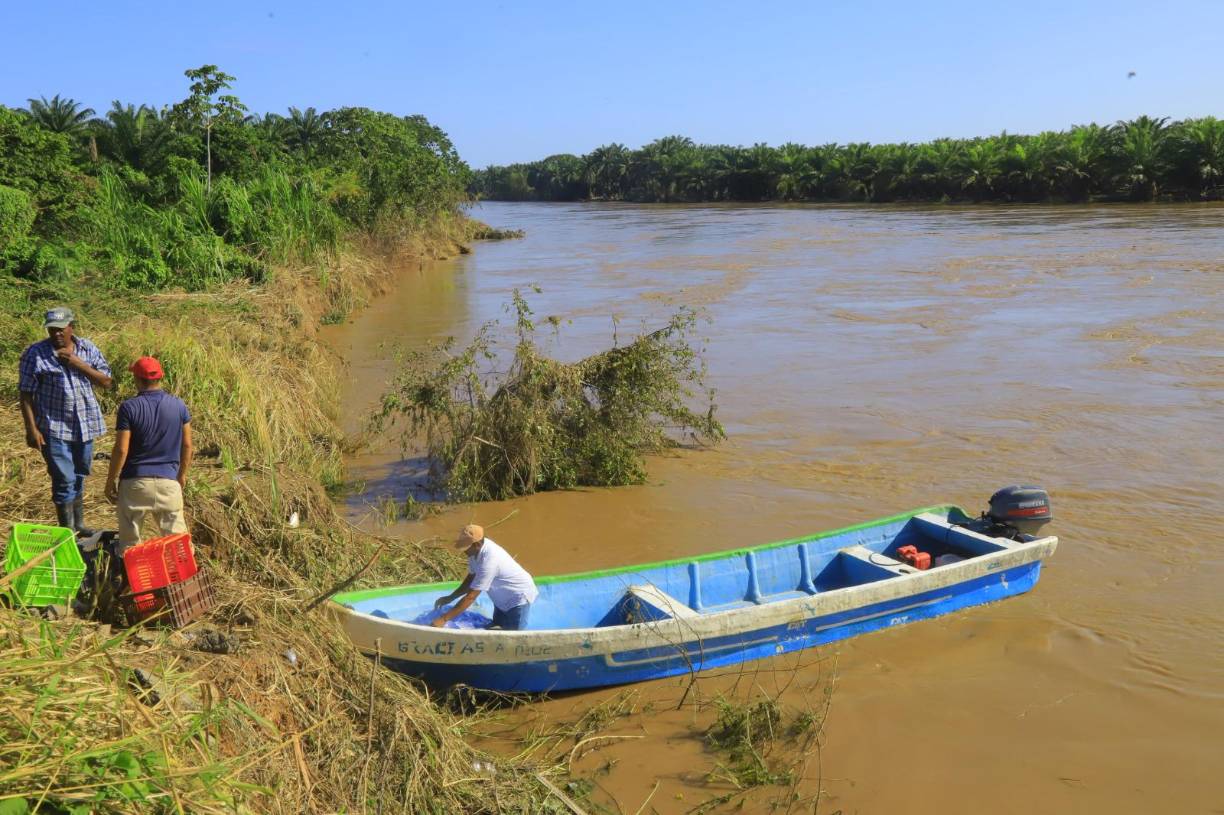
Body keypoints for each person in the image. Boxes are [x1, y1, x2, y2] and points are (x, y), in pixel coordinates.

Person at [18, 306, 113, 534]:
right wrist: (32, 429)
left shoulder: (87, 348)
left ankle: (78, 525)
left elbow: (106, 381)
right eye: (52, 330)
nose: (57, 334)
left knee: (80, 474)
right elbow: (26, 395)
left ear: (72, 327)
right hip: (53, 428)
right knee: (63, 479)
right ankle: (67, 532)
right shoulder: (36, 354)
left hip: (85, 426)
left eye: (61, 329)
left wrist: (77, 363)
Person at [103, 356, 193, 556]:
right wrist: (181, 475)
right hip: (168, 484)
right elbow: (187, 445)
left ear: (137, 379)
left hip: (135, 484)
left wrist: (111, 480)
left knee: (130, 546)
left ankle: (132, 583)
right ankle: (182, 583)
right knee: (179, 546)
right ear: (160, 377)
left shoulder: (129, 408)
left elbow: (121, 449)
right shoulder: (179, 406)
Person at [432, 524, 538, 630]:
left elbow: (471, 597)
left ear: (477, 544)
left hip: (518, 597)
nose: (464, 551)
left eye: (466, 548)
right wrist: (450, 598)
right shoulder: (474, 553)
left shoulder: (490, 560)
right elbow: (471, 579)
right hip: (500, 597)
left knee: (514, 637)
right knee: (496, 626)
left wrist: (444, 619)